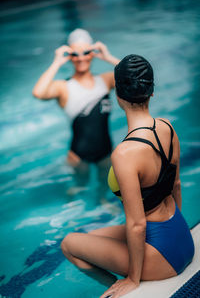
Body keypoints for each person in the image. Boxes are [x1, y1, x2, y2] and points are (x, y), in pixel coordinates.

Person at [61, 54, 195, 297]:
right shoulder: (167, 127)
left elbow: (136, 225)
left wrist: (133, 278)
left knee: (69, 244)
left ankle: (115, 287)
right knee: (90, 237)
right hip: (181, 235)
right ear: (151, 93)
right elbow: (176, 185)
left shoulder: (124, 153)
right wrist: (178, 231)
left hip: (163, 256)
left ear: (118, 96)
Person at [32, 29, 120, 187]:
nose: (81, 58)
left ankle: (103, 201)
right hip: (78, 158)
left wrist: (108, 57)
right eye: (75, 54)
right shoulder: (64, 87)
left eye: (86, 52)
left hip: (106, 153)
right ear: (69, 56)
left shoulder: (106, 80)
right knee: (77, 189)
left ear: (92, 53)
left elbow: (136, 76)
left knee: (105, 188)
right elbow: (38, 92)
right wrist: (57, 62)